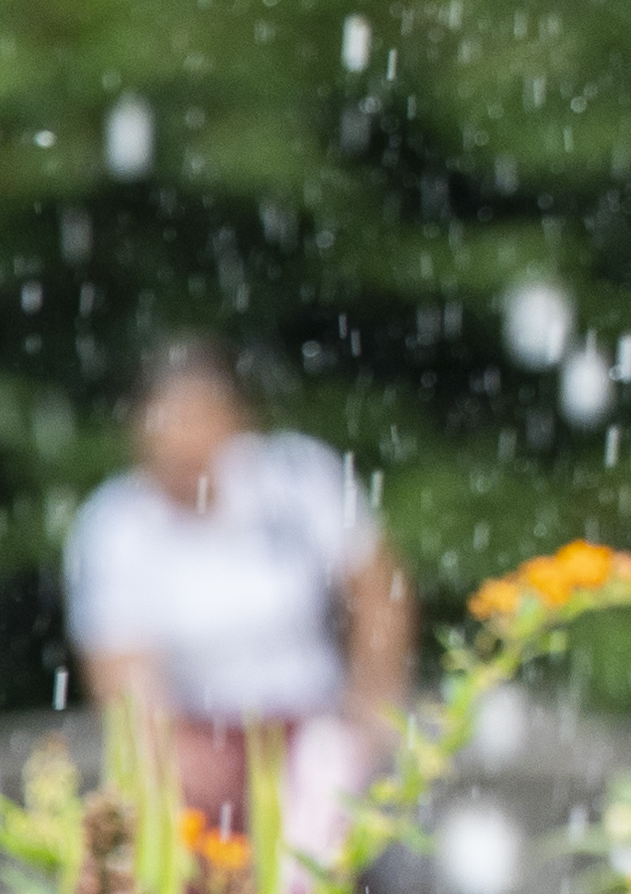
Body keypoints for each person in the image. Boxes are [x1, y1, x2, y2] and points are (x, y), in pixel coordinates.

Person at [65, 341, 409, 854]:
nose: (184, 442)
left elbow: (378, 592)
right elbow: (120, 669)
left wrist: (370, 708)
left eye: (198, 419)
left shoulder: (297, 481)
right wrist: (170, 756)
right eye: (168, 423)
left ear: (236, 422)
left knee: (312, 874)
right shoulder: (117, 525)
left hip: (311, 725)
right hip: (193, 738)